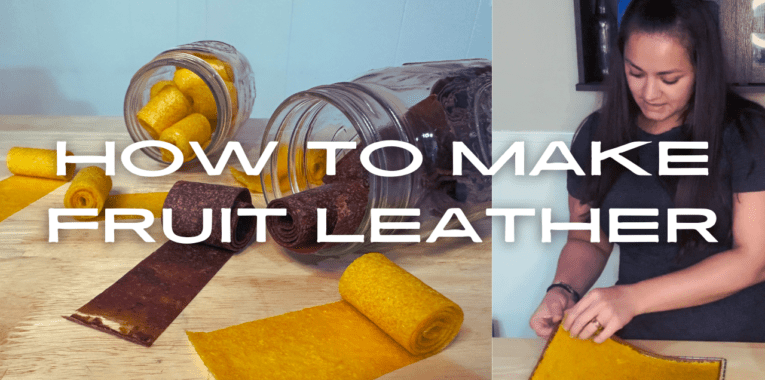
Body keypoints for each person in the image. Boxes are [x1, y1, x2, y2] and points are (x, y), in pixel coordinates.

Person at [529, 0, 765, 343]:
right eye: (635, 73)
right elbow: (587, 237)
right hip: (636, 338)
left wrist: (633, 298)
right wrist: (563, 289)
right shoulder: (599, 133)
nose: (649, 93)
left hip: (736, 341)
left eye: (669, 79)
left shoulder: (747, 132)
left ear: (702, 69)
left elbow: (754, 259)